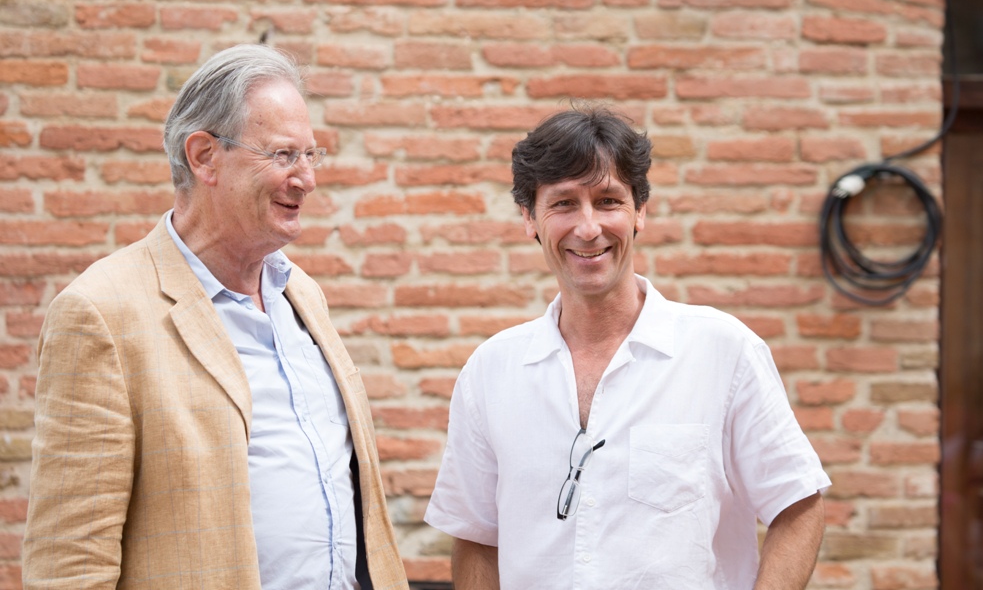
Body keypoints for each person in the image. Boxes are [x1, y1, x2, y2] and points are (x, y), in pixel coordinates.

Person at [23, 44, 408, 590]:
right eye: (282, 155)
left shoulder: (300, 294)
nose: (307, 179)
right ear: (204, 156)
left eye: (311, 155)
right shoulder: (100, 313)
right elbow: (70, 563)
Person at [424, 105, 831, 589]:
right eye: (563, 204)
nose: (589, 227)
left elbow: (799, 505)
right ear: (529, 218)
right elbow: (475, 537)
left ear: (640, 210)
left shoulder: (724, 352)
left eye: (608, 200)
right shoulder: (490, 372)